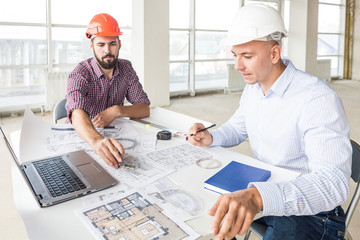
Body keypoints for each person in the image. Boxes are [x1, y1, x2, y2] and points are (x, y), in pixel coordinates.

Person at [188, 4, 351, 240]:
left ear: (274, 54)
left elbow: (332, 184)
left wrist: (258, 197)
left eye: (247, 56)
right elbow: (237, 128)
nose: (238, 66)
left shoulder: (317, 99)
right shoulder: (253, 89)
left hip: (313, 213)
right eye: (235, 55)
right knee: (213, 215)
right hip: (265, 191)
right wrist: (211, 136)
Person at [65, 13, 150, 169]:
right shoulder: (80, 72)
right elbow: (76, 111)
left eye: (112, 43)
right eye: (101, 45)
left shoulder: (126, 68)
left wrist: (116, 110)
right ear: (92, 46)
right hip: (84, 138)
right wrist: (96, 142)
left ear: (119, 44)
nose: (107, 50)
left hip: (116, 136)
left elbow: (144, 108)